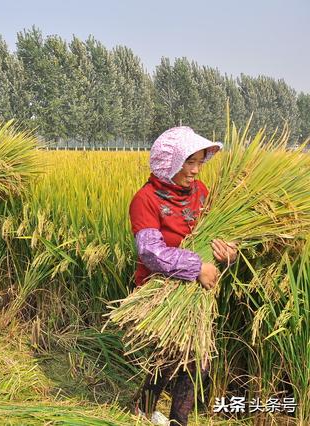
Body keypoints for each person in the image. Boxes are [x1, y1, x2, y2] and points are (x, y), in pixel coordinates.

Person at [129, 126, 238, 426]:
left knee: (188, 361)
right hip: (160, 289)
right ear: (171, 161)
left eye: (200, 162)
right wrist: (196, 268)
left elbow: (218, 238)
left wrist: (229, 253)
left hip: (194, 293)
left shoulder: (202, 194)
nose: (195, 170)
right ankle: (170, 418)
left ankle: (150, 410)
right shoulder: (146, 199)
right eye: (189, 162)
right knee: (180, 359)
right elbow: (151, 252)